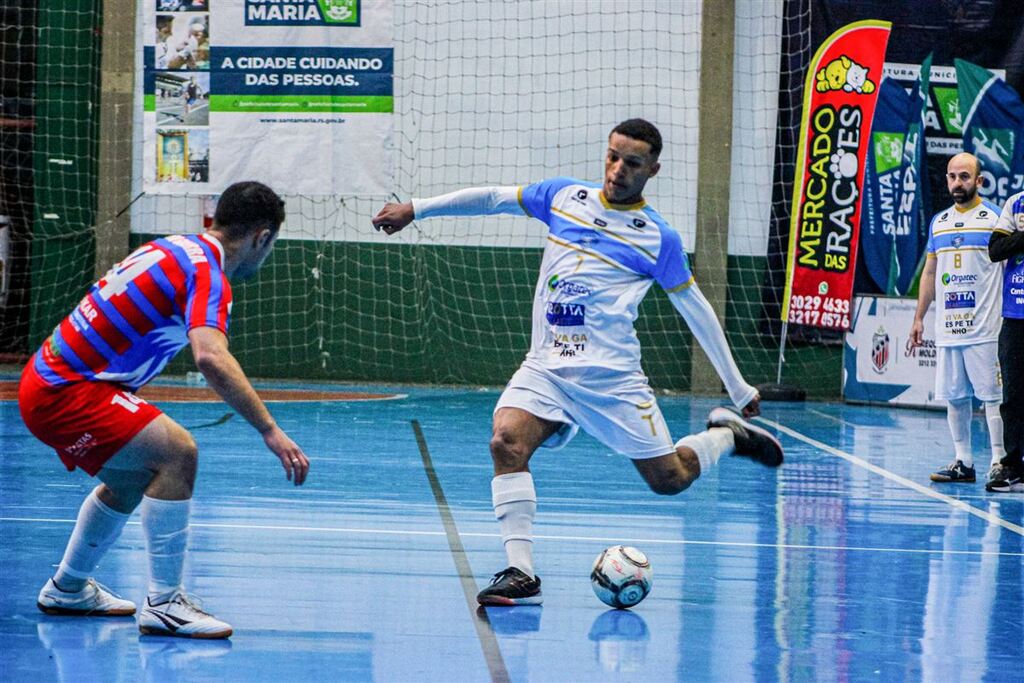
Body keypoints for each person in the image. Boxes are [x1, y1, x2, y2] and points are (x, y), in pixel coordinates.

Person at [372, 119, 783, 606]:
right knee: (506, 442)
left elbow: (697, 309)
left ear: (653, 169)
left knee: (669, 480)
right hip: (546, 367)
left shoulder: (659, 238)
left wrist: (737, 388)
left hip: (612, 381)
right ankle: (520, 573)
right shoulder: (565, 197)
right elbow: (492, 198)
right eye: (612, 156)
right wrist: (415, 209)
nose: (617, 170)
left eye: (632, 163)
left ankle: (725, 435)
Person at [19, 181, 310, 638]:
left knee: (133, 478)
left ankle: (68, 587)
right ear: (262, 238)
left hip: (49, 380)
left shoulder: (177, 247)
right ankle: (165, 602)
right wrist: (270, 430)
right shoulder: (209, 274)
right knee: (178, 453)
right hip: (67, 391)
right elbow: (211, 356)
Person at [909, 153, 1004, 484]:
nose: (957, 183)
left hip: (986, 329)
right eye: (952, 176)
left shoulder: (995, 220)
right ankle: (963, 461)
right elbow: (930, 272)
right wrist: (919, 317)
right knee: (955, 396)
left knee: (992, 397)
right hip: (949, 329)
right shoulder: (939, 222)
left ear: (979, 181)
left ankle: (999, 460)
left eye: (964, 176)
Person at [987, 189, 1024, 492]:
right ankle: (1012, 465)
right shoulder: (1016, 202)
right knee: (1013, 394)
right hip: (1016, 316)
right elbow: (995, 249)